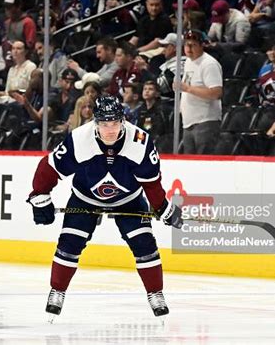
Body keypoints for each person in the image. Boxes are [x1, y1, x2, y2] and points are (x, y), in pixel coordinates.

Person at [26, 95, 183, 320]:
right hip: (85, 198)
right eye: (104, 124)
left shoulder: (140, 141)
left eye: (115, 123)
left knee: (144, 244)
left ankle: (156, 294)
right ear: (95, 122)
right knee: (69, 243)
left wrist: (163, 208)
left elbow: (152, 184)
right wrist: (40, 195)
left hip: (128, 199)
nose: (110, 129)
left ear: (123, 121)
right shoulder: (80, 139)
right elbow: (48, 168)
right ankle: (57, 290)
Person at [177, 29, 223, 155]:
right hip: (189, 121)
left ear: (202, 45)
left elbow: (216, 93)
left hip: (205, 121)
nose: (189, 48)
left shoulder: (209, 64)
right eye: (187, 44)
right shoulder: (188, 61)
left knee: (204, 162)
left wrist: (187, 89)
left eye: (193, 45)